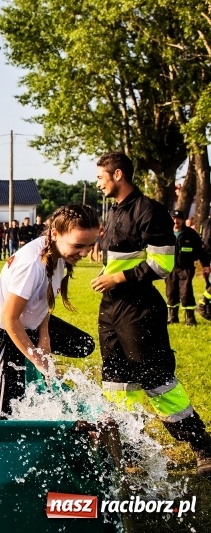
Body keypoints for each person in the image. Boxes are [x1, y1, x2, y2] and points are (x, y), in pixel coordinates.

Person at [91, 151, 211, 477]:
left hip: (139, 310)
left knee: (158, 382)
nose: (98, 182)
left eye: (101, 176)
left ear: (118, 175)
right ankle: (129, 453)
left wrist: (118, 277)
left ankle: (203, 447)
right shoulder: (114, 212)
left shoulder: (149, 210)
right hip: (110, 310)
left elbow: (162, 262)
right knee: (117, 384)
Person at [0, 205, 98, 420]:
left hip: (25, 326)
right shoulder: (32, 264)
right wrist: (38, 360)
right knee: (5, 414)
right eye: (78, 245)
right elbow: (8, 318)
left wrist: (45, 338)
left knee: (82, 344)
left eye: (90, 245)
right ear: (55, 233)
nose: (85, 253)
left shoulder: (57, 252)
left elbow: (44, 302)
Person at [165, 210, 208, 326]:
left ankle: (190, 319)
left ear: (183, 220)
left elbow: (201, 251)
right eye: (173, 218)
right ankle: (172, 317)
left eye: (178, 218)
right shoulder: (166, 233)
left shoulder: (191, 234)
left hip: (186, 268)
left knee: (186, 292)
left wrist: (205, 266)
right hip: (170, 268)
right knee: (171, 292)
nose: (176, 221)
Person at [199, 211, 211, 321]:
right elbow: (206, 243)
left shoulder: (205, 223)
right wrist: (207, 263)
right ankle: (203, 304)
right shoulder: (208, 224)